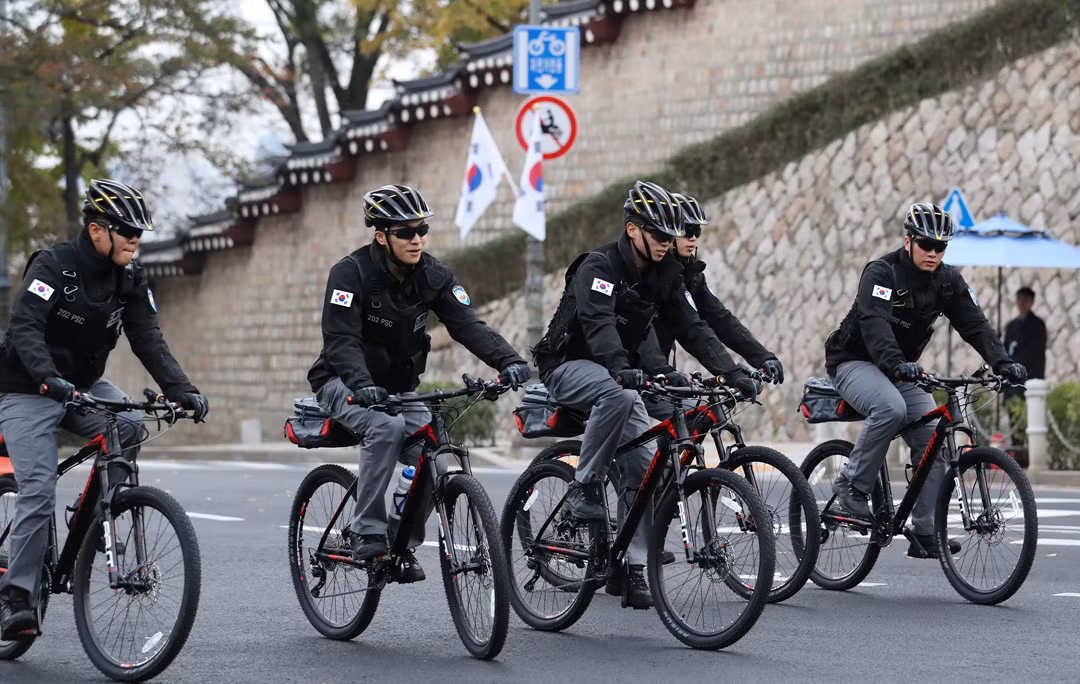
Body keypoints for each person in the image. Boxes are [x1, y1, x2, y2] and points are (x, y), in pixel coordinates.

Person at [531, 180, 757, 608]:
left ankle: (632, 570)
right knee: (618, 396)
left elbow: (694, 328)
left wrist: (733, 370)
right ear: (633, 229)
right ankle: (583, 486)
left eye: (672, 236)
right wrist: (622, 370)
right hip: (569, 366)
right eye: (659, 234)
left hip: (620, 375)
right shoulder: (597, 267)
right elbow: (598, 326)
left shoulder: (665, 273)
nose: (667, 243)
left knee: (647, 467)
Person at [0, 179, 209, 640]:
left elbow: (148, 338)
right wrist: (48, 378)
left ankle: (98, 515)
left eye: (139, 232)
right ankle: (16, 596)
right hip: (25, 387)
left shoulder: (129, 276)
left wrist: (182, 389)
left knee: (130, 424)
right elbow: (26, 327)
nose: (135, 239)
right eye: (126, 230)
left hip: (83, 385)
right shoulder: (53, 265)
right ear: (97, 230)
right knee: (37, 486)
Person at [307, 183, 529, 582]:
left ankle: (402, 544)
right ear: (381, 236)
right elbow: (341, 341)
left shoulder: (435, 275)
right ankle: (367, 530)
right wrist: (361, 384)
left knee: (436, 456)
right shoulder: (350, 273)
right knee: (385, 427)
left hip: (397, 388)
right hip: (343, 382)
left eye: (422, 229)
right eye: (406, 232)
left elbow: (467, 325)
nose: (417, 239)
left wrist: (508, 360)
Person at [823, 203, 1026, 559]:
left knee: (933, 435)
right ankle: (851, 489)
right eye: (926, 244)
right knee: (890, 406)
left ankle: (926, 530)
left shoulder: (948, 281)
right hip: (854, 361)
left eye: (940, 247)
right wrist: (897, 364)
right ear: (908, 241)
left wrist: (1003, 362)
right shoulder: (881, 273)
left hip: (899, 369)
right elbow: (874, 324)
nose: (933, 252)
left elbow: (974, 324)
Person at [646, 192, 783, 412]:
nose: (693, 238)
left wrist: (762, 357)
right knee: (646, 433)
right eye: (686, 231)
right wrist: (731, 373)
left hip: (658, 372)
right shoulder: (658, 275)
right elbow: (692, 329)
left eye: (697, 231)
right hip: (633, 373)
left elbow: (720, 319)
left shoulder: (690, 274)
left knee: (690, 416)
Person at [1003, 286, 1046, 403]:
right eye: (1019, 299)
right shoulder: (1011, 325)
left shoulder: (1038, 325)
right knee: (1012, 409)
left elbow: (1035, 351)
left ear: (1031, 302)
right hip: (1011, 379)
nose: (1022, 303)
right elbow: (1006, 349)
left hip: (1029, 377)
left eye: (1025, 299)